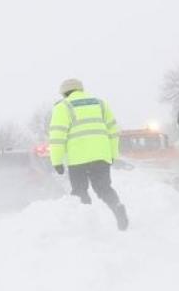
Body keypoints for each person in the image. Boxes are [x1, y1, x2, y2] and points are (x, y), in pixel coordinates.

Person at [47, 78, 129, 231]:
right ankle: (118, 208)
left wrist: (56, 161)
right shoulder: (100, 103)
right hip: (101, 156)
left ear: (65, 93)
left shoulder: (63, 106)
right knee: (104, 188)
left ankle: (88, 225)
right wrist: (113, 154)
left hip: (78, 159)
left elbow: (57, 136)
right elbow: (113, 131)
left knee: (79, 191)